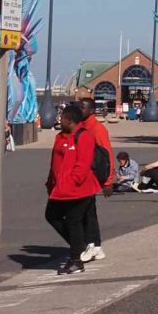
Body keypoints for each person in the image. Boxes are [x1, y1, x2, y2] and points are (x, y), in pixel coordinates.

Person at [45, 105, 101, 274]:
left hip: (79, 189)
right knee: (51, 215)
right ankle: (81, 246)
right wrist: (50, 183)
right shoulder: (60, 137)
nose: (59, 120)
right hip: (60, 188)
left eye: (61, 118)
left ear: (69, 120)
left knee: (73, 220)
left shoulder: (84, 137)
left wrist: (72, 182)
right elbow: (54, 163)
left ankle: (76, 260)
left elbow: (82, 166)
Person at [78, 98, 115, 263]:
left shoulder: (97, 129)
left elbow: (107, 154)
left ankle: (91, 244)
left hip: (91, 177)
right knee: (88, 212)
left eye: (83, 107)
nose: (80, 110)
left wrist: (108, 181)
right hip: (84, 176)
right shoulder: (82, 126)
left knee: (85, 212)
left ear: (92, 110)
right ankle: (97, 246)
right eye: (79, 107)